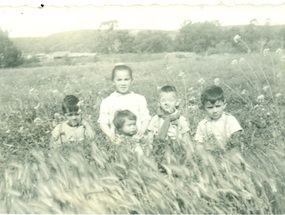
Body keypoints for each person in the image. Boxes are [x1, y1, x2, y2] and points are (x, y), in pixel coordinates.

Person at [98, 64, 151, 142]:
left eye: (126, 79)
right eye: (119, 80)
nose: (123, 83)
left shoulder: (139, 99)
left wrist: (141, 131)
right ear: (113, 81)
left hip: (137, 138)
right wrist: (110, 135)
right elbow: (102, 122)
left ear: (131, 80)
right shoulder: (107, 101)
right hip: (118, 140)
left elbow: (146, 118)